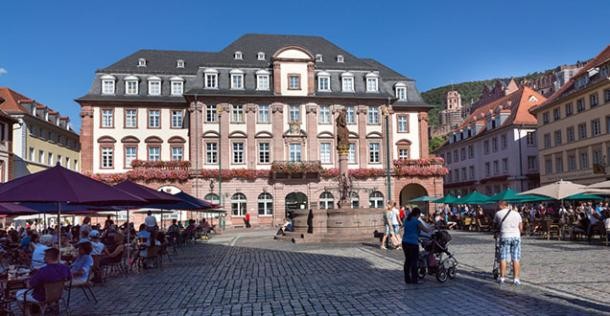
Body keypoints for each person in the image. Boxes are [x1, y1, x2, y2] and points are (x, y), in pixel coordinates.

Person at [493, 200, 523, 286]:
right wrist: (519, 233)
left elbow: (494, 226)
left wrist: (495, 234)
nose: (498, 207)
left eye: (499, 205)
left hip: (505, 236)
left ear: (502, 205)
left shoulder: (498, 214)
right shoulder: (517, 214)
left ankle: (502, 278)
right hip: (516, 236)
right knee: (516, 258)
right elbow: (521, 226)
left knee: (503, 258)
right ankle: (516, 279)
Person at [402, 207, 434, 284]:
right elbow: (426, 230)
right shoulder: (416, 221)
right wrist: (433, 228)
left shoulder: (407, 220)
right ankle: (414, 280)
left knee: (407, 261)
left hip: (405, 242)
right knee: (414, 262)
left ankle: (407, 279)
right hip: (413, 244)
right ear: (418, 214)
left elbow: (411, 231)